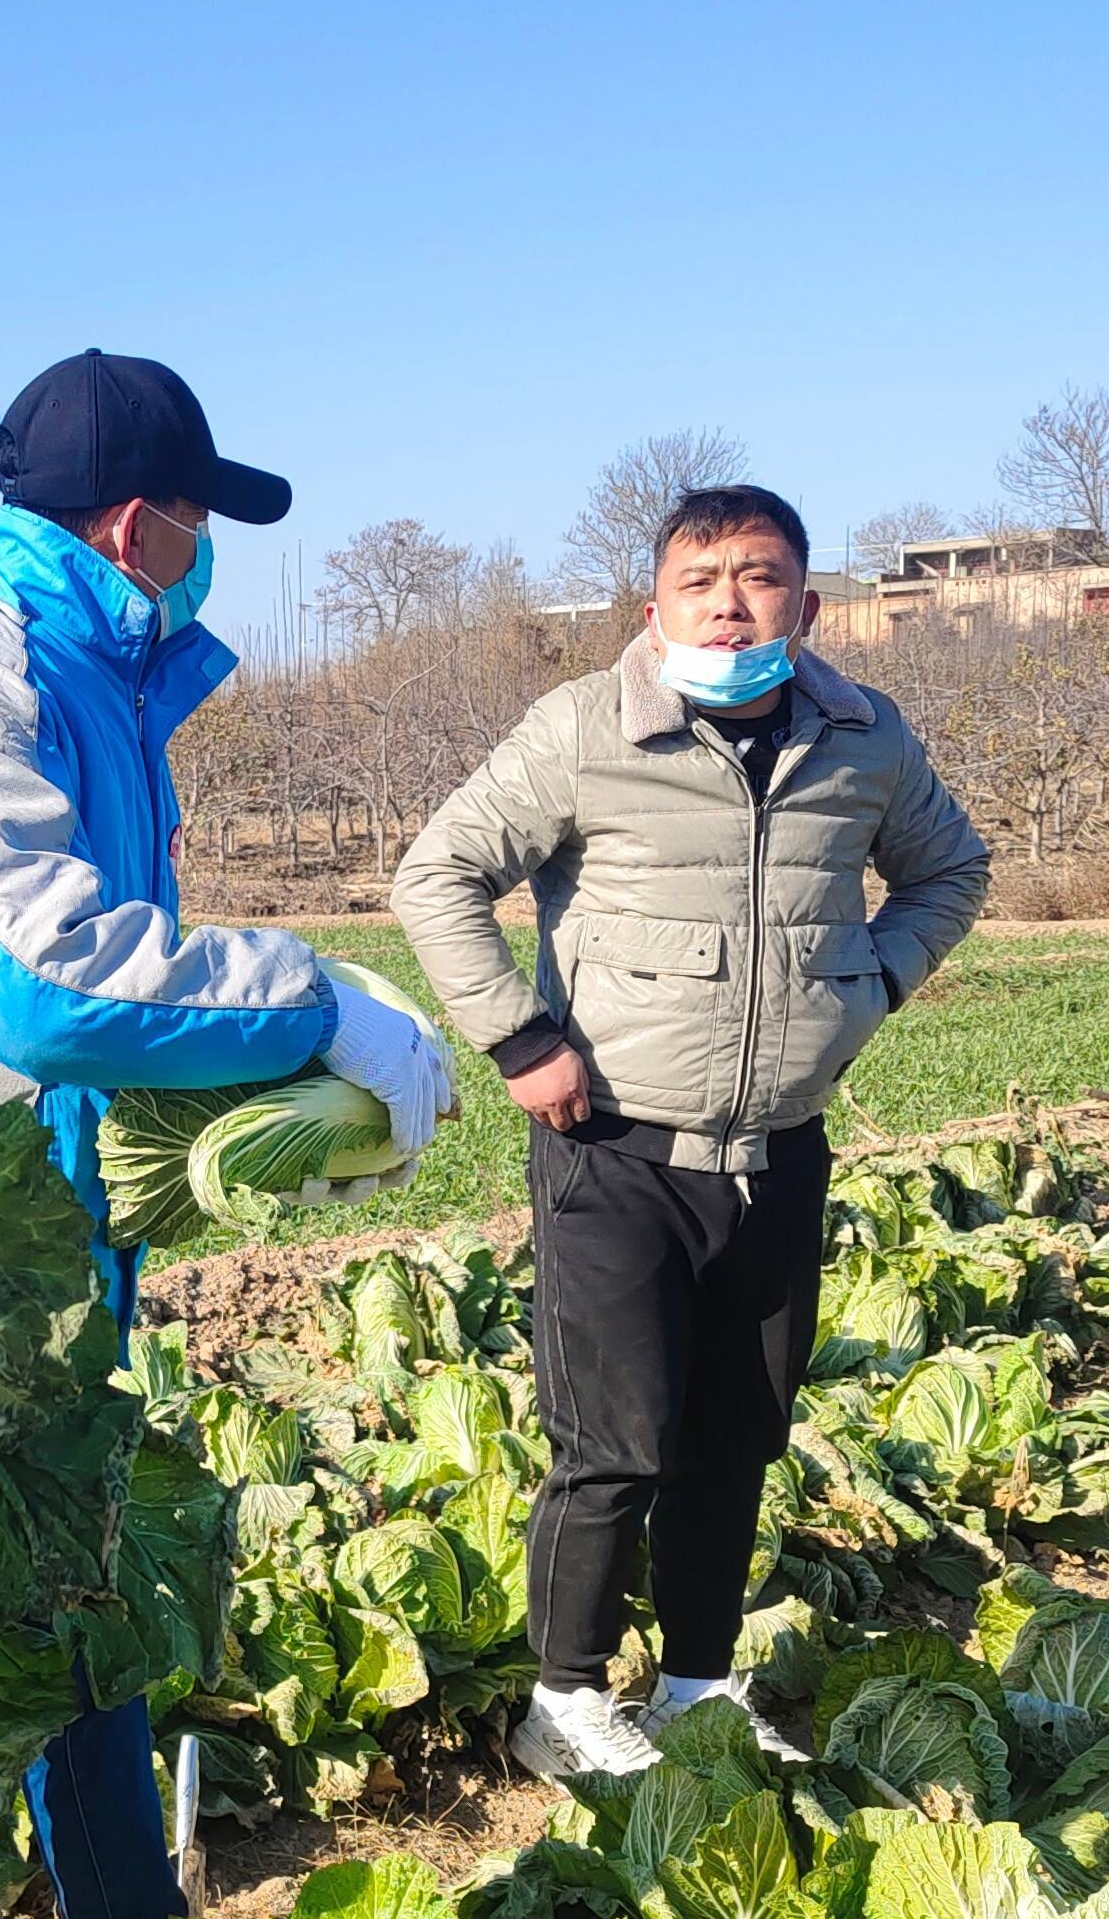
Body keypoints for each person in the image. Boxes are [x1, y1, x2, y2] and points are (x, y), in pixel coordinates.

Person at [0, 350, 454, 1919]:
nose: (212, 553)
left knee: (80, 1579)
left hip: (52, 1226)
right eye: (205, 522)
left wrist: (287, 1105)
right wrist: (319, 1005)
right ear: (144, 524)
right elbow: (40, 977)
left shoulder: (97, 681)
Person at [389, 483, 989, 1783]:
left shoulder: (864, 741)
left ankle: (698, 1691)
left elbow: (953, 868)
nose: (730, 602)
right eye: (700, 579)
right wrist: (518, 1037)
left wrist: (872, 982)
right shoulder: (580, 733)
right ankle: (566, 1705)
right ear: (654, 605)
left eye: (759, 577)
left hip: (777, 1150)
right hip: (615, 1152)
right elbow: (435, 876)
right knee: (613, 1444)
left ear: (808, 603)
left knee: (734, 1438)